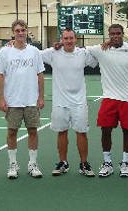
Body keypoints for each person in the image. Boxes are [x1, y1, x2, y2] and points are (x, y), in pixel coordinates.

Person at [87, 24, 128, 177]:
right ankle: (107, 163)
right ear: (109, 34)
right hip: (109, 97)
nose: (115, 36)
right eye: (112, 34)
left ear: (123, 34)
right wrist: (59, 45)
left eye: (118, 33)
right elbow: (77, 50)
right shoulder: (100, 49)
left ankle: (125, 163)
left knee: (127, 130)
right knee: (105, 130)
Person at [41, 28, 97, 177]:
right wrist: (12, 44)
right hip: (60, 102)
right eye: (65, 38)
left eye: (71, 38)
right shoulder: (52, 53)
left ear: (75, 39)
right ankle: (63, 162)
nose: (69, 41)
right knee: (62, 132)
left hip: (79, 102)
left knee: (81, 132)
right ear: (61, 40)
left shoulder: (83, 54)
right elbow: (33, 54)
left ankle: (84, 163)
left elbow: (98, 59)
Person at [0, 19, 45, 179]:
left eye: (23, 30)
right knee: (11, 132)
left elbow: (40, 75)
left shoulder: (35, 52)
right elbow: (0, 76)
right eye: (17, 30)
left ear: (27, 32)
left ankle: (32, 164)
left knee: (32, 131)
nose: (20, 33)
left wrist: (41, 97)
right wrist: (1, 99)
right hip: (12, 101)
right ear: (13, 32)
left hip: (31, 100)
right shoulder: (5, 52)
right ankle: (13, 165)